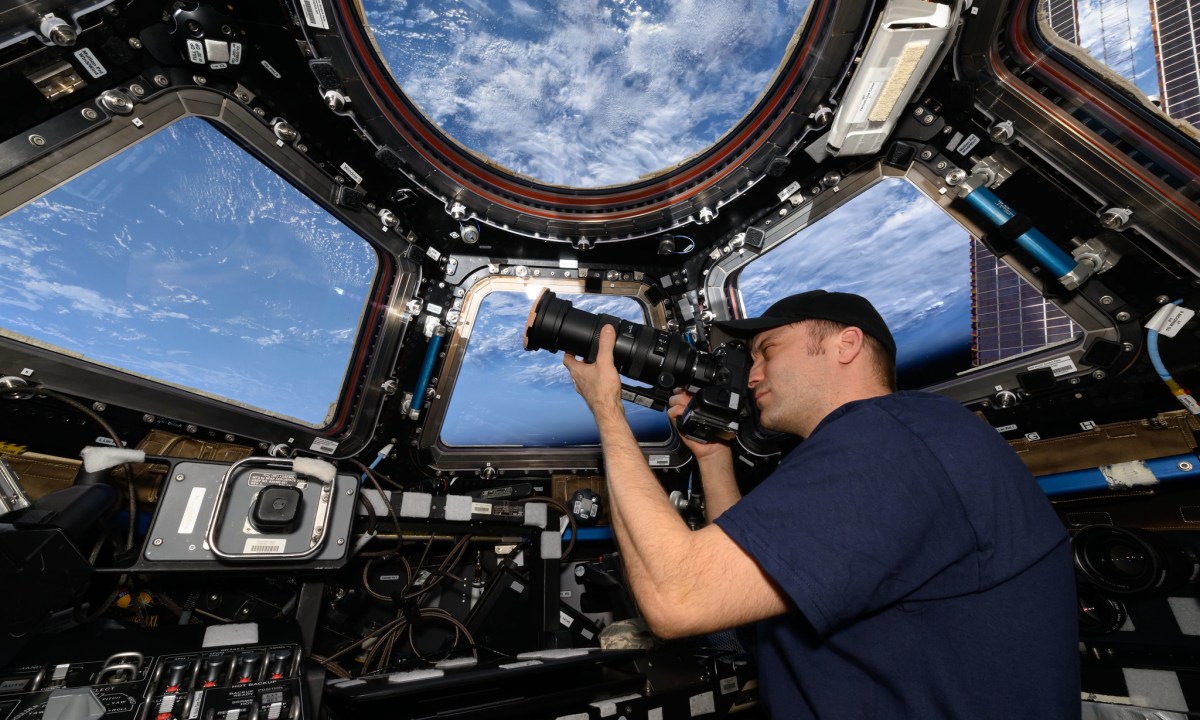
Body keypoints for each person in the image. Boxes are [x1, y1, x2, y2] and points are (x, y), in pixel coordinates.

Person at [562, 289, 1079, 719]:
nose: (753, 374)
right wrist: (715, 460)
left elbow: (677, 599)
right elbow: (741, 585)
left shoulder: (886, 439)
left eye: (768, 350)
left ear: (846, 345)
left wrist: (608, 412)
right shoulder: (910, 437)